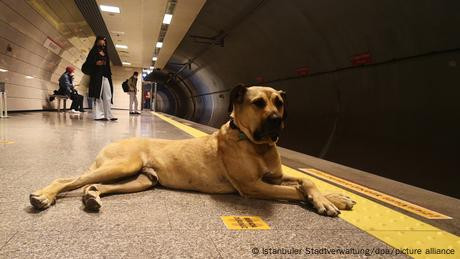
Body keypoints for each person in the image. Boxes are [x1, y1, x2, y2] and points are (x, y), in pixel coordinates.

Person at [82, 36, 117, 121]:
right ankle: (99, 115)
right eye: (101, 40)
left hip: (106, 76)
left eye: (104, 41)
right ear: (97, 41)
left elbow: (108, 65)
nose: (103, 42)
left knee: (108, 95)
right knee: (97, 96)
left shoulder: (105, 52)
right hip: (97, 76)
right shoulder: (93, 51)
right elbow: (87, 64)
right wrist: (95, 63)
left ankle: (108, 115)